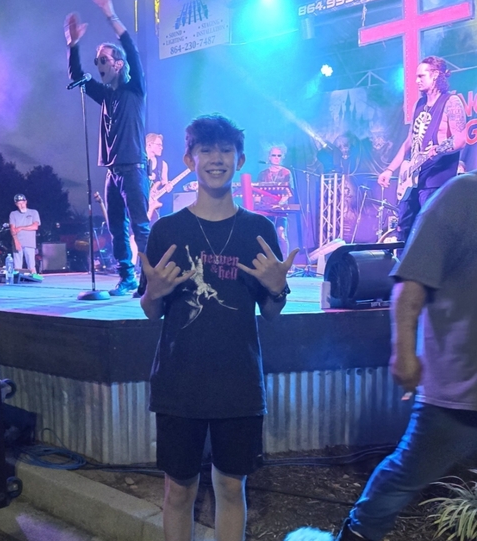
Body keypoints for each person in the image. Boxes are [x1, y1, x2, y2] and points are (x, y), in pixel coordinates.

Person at [138, 114, 298, 541]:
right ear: (190, 159)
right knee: (178, 491)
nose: (216, 159)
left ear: (240, 160)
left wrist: (277, 288)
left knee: (230, 487)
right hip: (180, 381)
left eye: (226, 150)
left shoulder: (258, 230)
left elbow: (272, 312)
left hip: (238, 383)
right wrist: (153, 292)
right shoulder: (167, 231)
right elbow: (151, 311)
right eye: (205, 150)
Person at [333, 169, 477, 541]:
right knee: (402, 477)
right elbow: (410, 283)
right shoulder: (463, 194)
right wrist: (403, 352)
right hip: (459, 388)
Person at [65, 0, 150, 296]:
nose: (98, 64)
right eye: (96, 60)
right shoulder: (105, 96)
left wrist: (110, 13)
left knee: (140, 226)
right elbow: (77, 75)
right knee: (116, 227)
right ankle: (127, 277)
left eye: (103, 59)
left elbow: (132, 49)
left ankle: (149, 278)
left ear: (117, 64)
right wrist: (73, 45)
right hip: (113, 171)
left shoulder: (134, 88)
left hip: (133, 168)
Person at [377, 56, 467, 242]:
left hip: (436, 179)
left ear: (435, 75)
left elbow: (459, 140)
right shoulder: (419, 104)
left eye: (421, 76)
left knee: (430, 231)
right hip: (414, 179)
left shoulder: (451, 101)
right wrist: (389, 169)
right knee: (404, 228)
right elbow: (409, 141)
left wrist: (440, 149)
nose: (417, 80)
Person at [257, 144, 294, 257]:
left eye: (279, 155)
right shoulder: (263, 174)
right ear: (269, 157)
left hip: (280, 210)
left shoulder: (286, 173)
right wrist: (257, 204)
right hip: (265, 210)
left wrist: (280, 204)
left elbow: (289, 193)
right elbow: (257, 192)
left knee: (281, 234)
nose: (276, 158)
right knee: (266, 237)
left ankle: (284, 261)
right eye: (274, 155)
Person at [9, 194, 40, 273]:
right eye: (19, 203)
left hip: (30, 243)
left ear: (26, 202)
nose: (21, 205)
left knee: (31, 266)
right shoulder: (13, 214)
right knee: (17, 267)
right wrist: (16, 241)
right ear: (16, 204)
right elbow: (12, 229)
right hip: (17, 243)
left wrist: (21, 228)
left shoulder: (33, 212)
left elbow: (35, 226)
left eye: (22, 203)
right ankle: (17, 279)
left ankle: (33, 278)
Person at [146, 133, 170, 222]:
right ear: (149, 145)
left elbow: (164, 183)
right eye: (159, 145)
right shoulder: (139, 162)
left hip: (153, 207)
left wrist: (167, 187)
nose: (161, 148)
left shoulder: (163, 165)